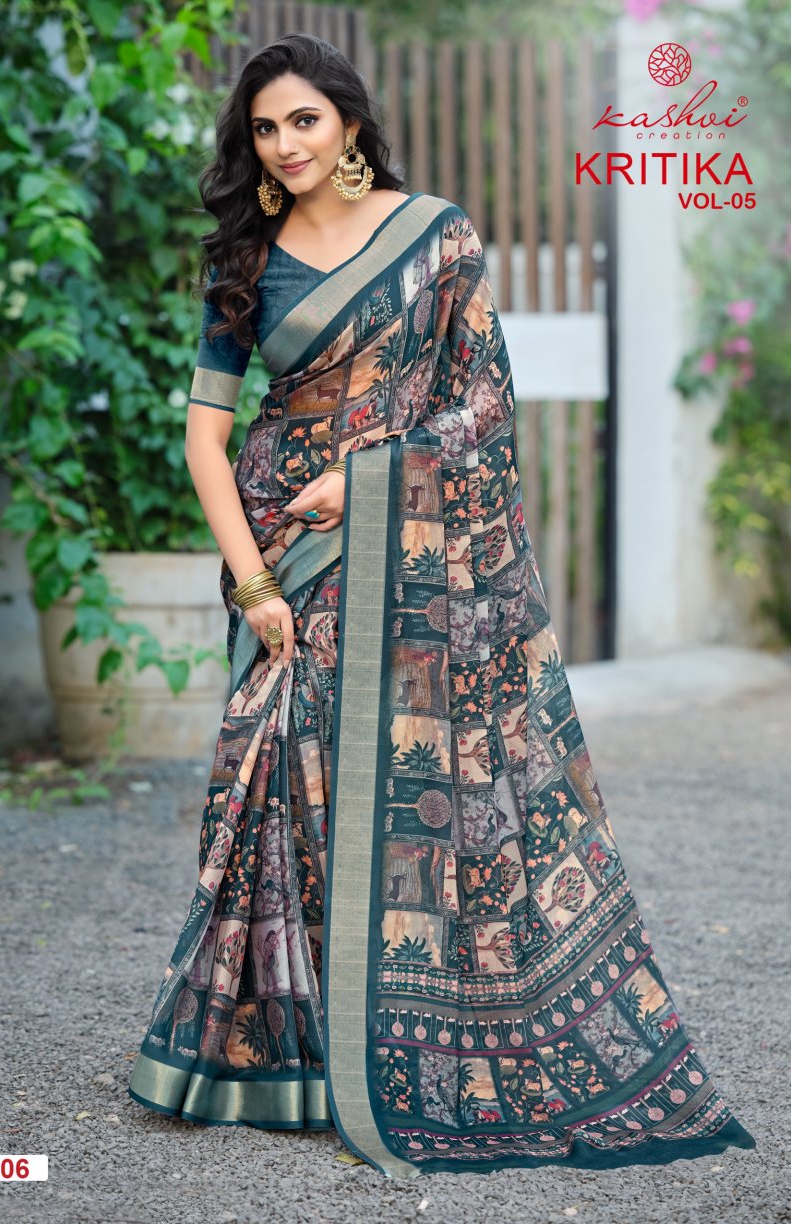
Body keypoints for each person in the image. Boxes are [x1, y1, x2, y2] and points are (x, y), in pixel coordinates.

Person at [127, 32, 755, 1178]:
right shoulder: (247, 257)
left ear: (350, 124)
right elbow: (205, 438)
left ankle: (392, 1042)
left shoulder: (435, 237)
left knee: (397, 782)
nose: (286, 144)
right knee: (283, 773)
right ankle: (289, 1049)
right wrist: (254, 578)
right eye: (265, 128)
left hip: (396, 537)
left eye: (305, 120)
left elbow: (483, 405)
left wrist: (365, 476)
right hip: (286, 549)